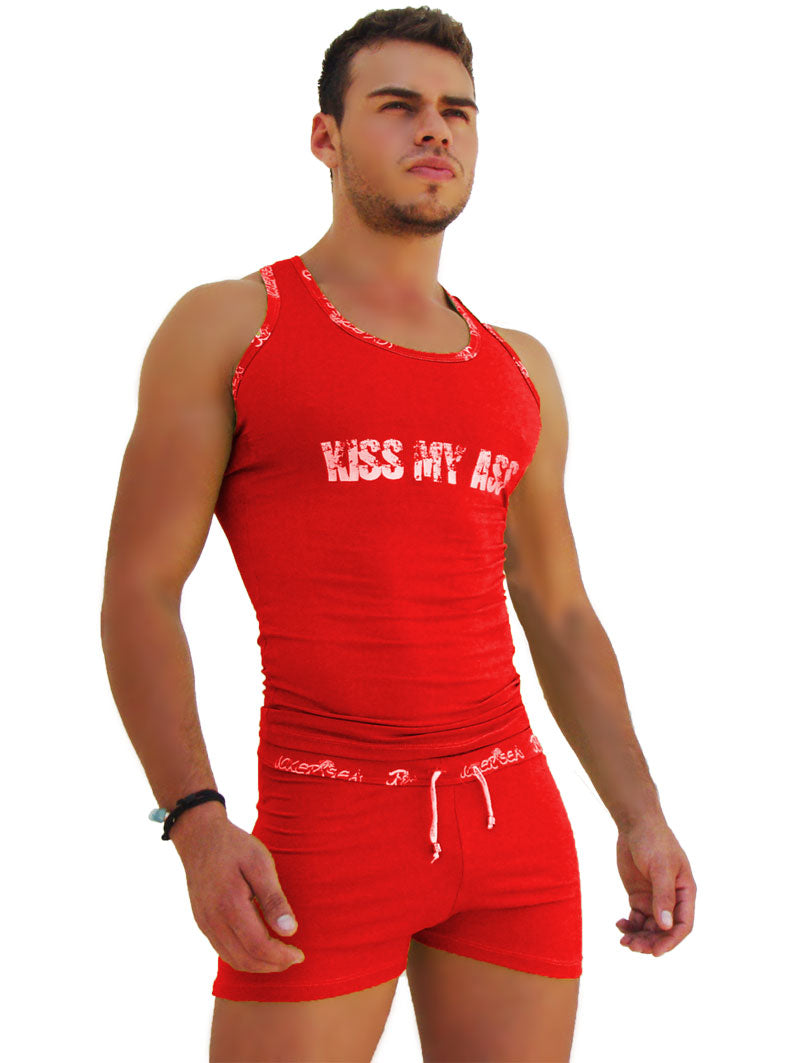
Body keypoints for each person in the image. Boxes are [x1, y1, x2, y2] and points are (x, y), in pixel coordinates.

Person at [101, 7, 697, 1061]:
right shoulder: (234, 325)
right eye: (398, 106)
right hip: (327, 826)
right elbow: (140, 590)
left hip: (512, 825)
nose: (435, 129)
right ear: (324, 136)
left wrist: (640, 812)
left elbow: (557, 605)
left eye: (457, 111)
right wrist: (194, 818)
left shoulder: (517, 367)